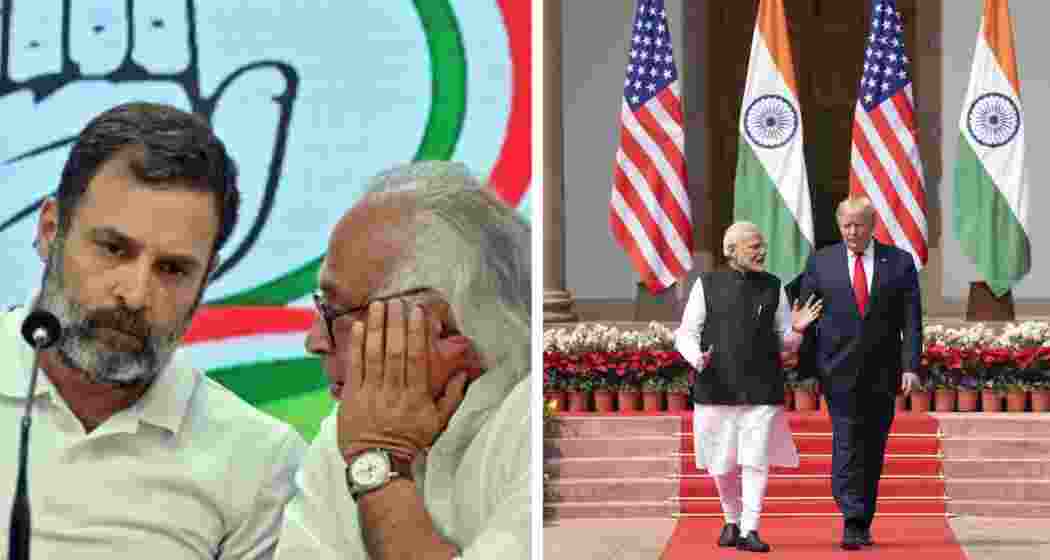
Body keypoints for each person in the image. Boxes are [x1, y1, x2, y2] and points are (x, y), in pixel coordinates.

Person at [0, 102, 306, 557]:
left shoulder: (259, 461)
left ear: (206, 279)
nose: (136, 294)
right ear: (50, 231)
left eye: (173, 269)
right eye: (113, 248)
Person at [275, 161, 531, 559]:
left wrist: (380, 464)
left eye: (334, 313)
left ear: (439, 324)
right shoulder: (353, 427)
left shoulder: (548, 429)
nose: (314, 342)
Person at [675, 221, 822, 553]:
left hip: (762, 387)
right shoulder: (707, 284)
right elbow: (685, 333)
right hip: (717, 385)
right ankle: (731, 520)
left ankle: (750, 529)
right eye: (754, 246)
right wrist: (696, 357)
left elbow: (786, 342)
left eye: (762, 244)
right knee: (722, 460)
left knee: (755, 458)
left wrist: (797, 330)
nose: (762, 251)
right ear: (732, 250)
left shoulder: (774, 286)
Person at [796, 196, 922, 551]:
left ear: (873, 225)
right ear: (839, 225)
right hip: (837, 369)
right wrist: (806, 370)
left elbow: (912, 320)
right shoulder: (821, 261)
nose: (852, 232)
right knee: (848, 439)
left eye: (859, 225)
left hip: (883, 370)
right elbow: (807, 316)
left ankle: (862, 517)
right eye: (846, 225)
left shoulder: (899, 262)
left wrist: (911, 366)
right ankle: (851, 516)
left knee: (872, 446)